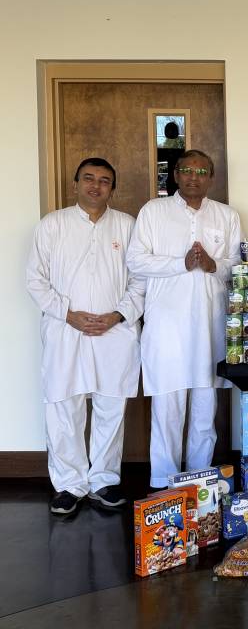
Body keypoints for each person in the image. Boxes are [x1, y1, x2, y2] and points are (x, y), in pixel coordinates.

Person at [26, 158, 144, 515]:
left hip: (115, 331)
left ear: (113, 188)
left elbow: (141, 280)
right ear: (75, 183)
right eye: (89, 178)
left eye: (104, 180)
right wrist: (68, 314)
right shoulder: (53, 224)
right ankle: (68, 485)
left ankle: (103, 481)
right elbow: (35, 279)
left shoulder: (127, 225)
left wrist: (117, 315)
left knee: (111, 406)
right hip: (65, 329)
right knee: (64, 406)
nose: (96, 185)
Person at [127, 150, 242, 489]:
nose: (194, 176)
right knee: (167, 408)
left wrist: (212, 265)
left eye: (202, 171)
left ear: (212, 178)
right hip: (167, 325)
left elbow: (240, 266)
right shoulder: (153, 211)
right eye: (187, 170)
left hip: (210, 325)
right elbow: (136, 261)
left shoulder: (226, 215)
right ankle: (164, 485)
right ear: (175, 174)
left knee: (205, 409)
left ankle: (198, 483)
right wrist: (182, 263)